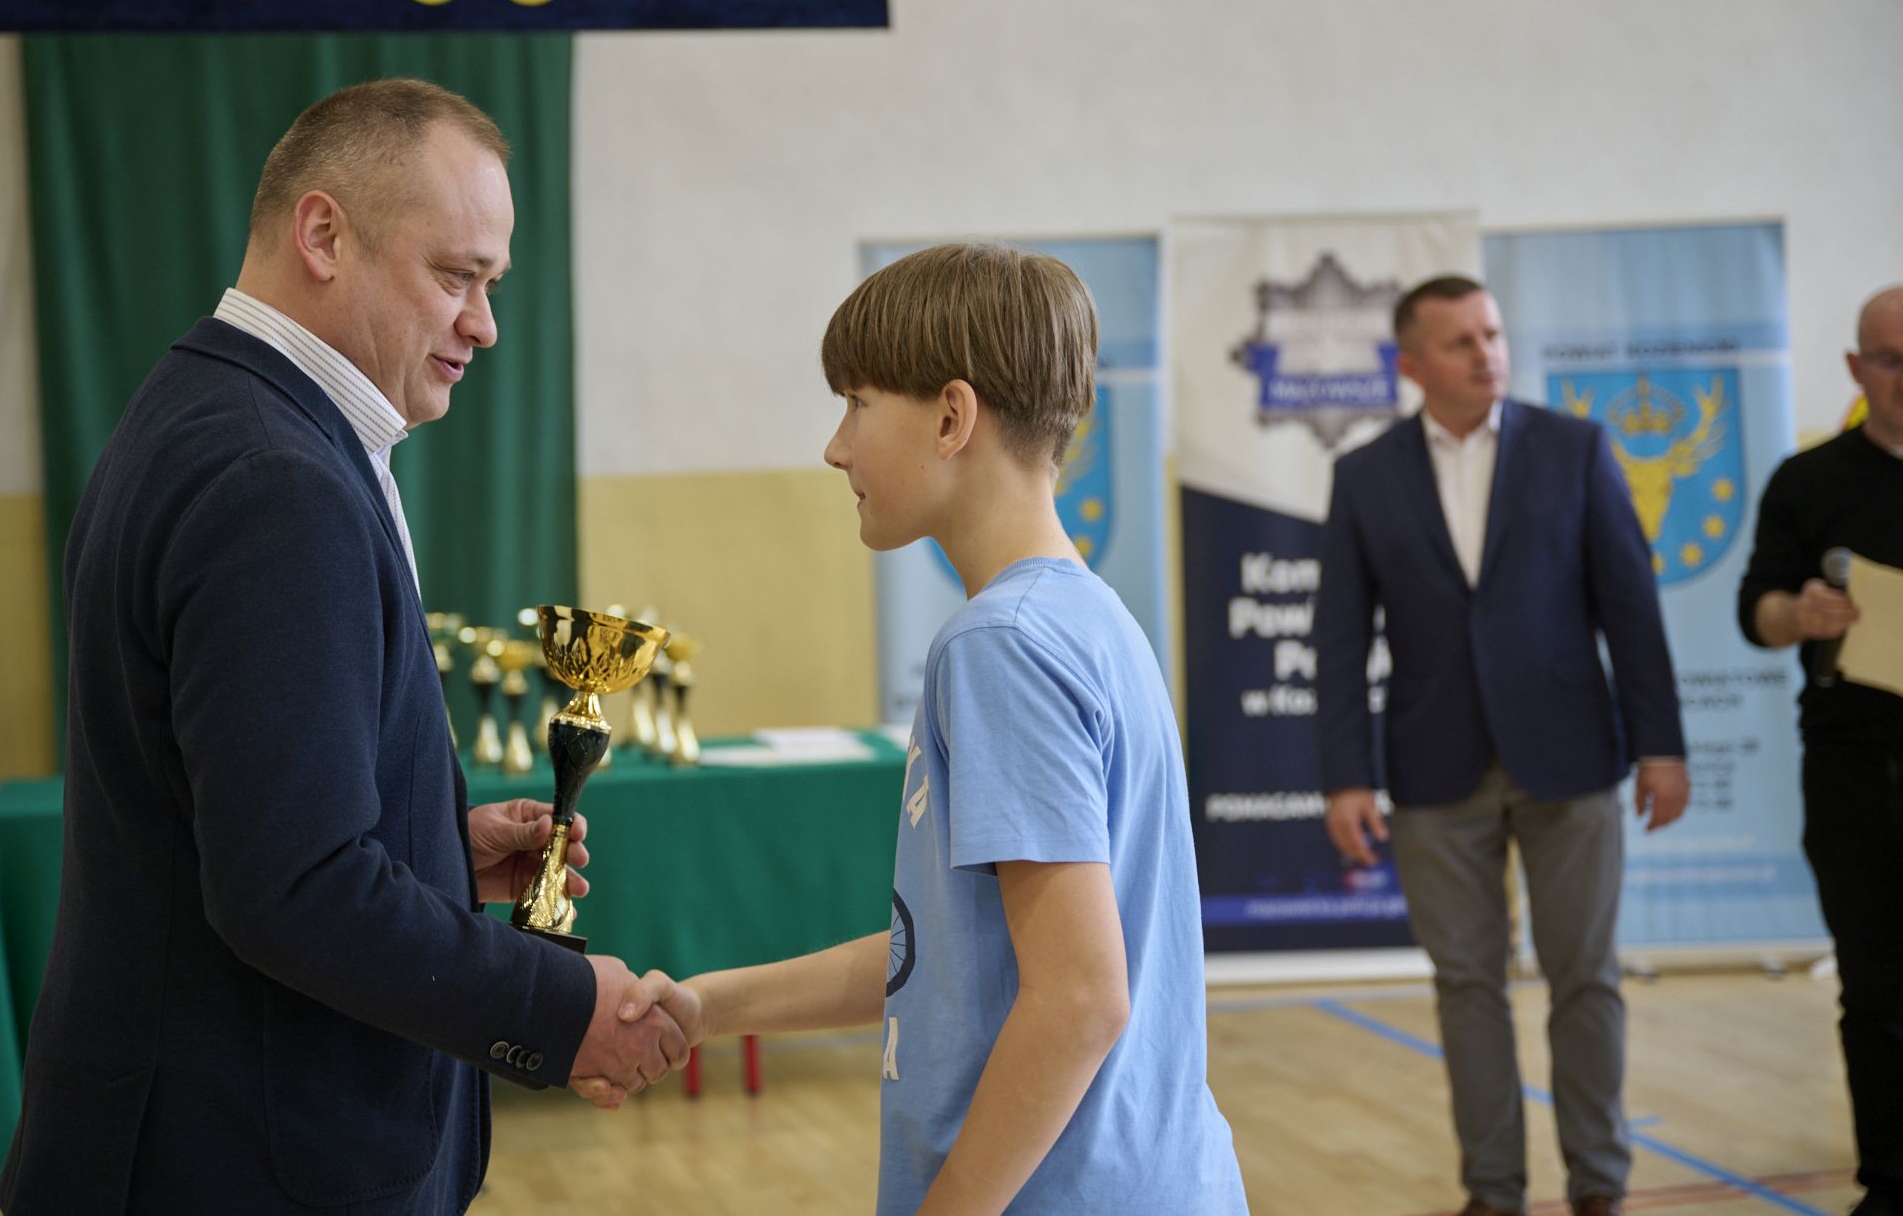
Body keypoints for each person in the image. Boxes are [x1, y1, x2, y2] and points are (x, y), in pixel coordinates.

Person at [0, 79, 687, 1215]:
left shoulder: (214, 407)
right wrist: (558, 1008)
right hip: (232, 1165)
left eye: (494, 283)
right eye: (456, 275)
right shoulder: (274, 478)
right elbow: (293, 886)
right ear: (323, 234)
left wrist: (433, 852)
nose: (484, 323)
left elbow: (231, 822)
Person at [584, 243, 1251, 1212]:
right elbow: (944, 958)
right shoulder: (1089, 617)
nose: (835, 446)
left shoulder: (998, 644)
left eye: (856, 403)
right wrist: (708, 1005)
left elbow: (1078, 998)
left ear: (950, 418)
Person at [1314, 275, 1689, 1216]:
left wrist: (1662, 745)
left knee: (1585, 977)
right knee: (1467, 985)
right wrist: (1345, 775)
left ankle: (1600, 1182)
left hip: (1573, 757)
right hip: (1433, 765)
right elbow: (1339, 638)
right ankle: (1493, 1189)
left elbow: (1631, 609)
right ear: (1411, 365)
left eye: (1492, 333)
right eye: (1461, 342)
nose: (1487, 353)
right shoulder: (1364, 475)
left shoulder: (1577, 448)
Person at [1737, 286, 1903, 1216]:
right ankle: (1889, 1179)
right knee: (1875, 984)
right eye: (1889, 358)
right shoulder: (1809, 481)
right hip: (1854, 768)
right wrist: (1796, 612)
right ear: (1855, 368)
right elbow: (1755, 612)